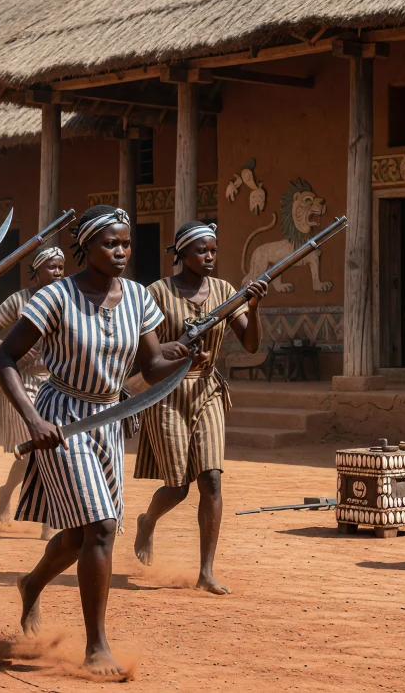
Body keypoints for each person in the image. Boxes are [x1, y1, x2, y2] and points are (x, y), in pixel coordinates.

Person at [0, 205, 189, 677]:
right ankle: (97, 646)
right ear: (86, 247)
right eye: (109, 243)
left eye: (125, 243)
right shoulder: (55, 297)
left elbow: (151, 367)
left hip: (109, 419)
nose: (121, 251)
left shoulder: (139, 298)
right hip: (61, 421)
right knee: (101, 526)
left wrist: (186, 360)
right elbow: (4, 358)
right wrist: (32, 419)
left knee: (80, 535)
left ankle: (32, 583)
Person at [132, 222, 267, 594]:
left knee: (211, 480)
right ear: (182, 254)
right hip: (165, 392)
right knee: (177, 488)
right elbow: (145, 351)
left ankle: (206, 571)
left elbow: (251, 344)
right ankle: (147, 520)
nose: (209, 257)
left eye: (213, 251)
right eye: (201, 251)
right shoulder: (156, 293)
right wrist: (177, 354)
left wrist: (254, 307)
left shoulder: (224, 291)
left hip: (207, 390)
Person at [0, 245, 65, 532]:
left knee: (51, 451)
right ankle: (8, 491)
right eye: (51, 267)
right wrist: (11, 349)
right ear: (36, 271)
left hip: (56, 385)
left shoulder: (68, 298)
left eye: (61, 267)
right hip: (20, 383)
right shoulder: (19, 300)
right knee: (32, 451)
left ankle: (49, 519)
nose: (58, 272)